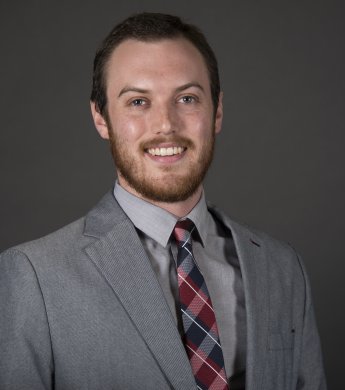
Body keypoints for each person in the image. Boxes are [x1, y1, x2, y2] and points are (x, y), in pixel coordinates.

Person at [0, 12, 326, 390]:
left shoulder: (282, 267)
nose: (166, 125)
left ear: (216, 111)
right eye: (138, 102)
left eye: (186, 98)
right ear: (101, 118)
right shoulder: (32, 277)